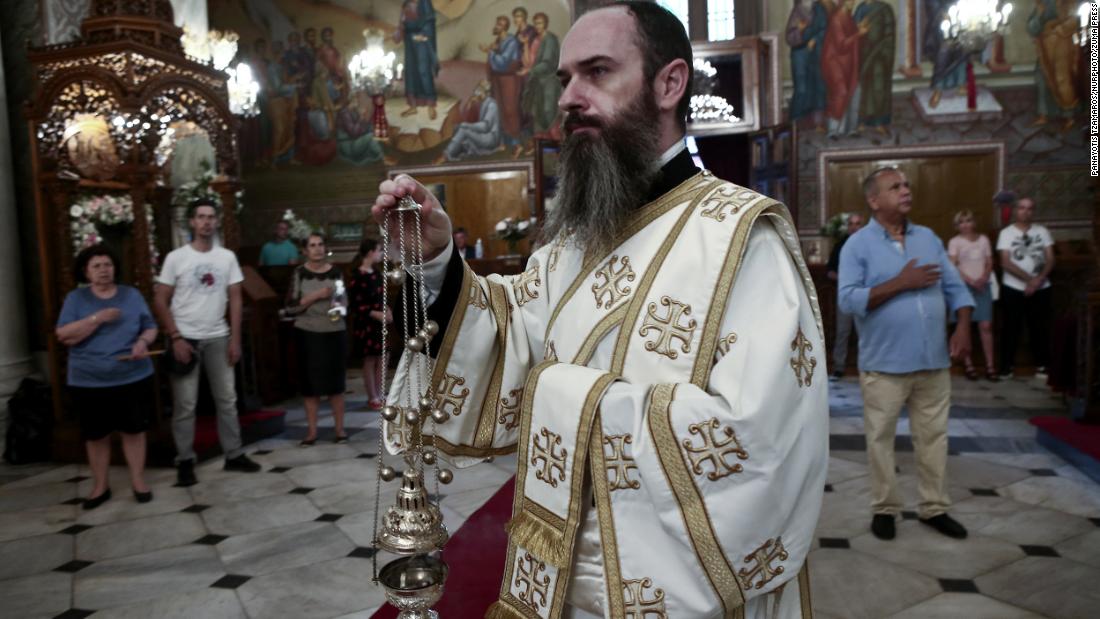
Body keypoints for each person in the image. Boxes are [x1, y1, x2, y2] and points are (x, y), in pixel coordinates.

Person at [372, 3, 827, 616]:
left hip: (677, 594)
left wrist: (566, 400)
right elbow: (512, 340)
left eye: (597, 72)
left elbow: (761, 441)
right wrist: (438, 264)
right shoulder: (574, 242)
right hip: (559, 586)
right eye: (565, 80)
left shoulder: (742, 238)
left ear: (669, 84)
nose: (570, 98)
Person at [838, 167, 974, 542]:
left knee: (933, 437)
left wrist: (962, 326)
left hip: (933, 361)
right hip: (884, 364)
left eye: (906, 184)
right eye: (894, 186)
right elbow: (847, 298)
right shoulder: (858, 245)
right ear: (874, 200)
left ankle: (935, 508)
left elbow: (955, 287)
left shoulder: (928, 238)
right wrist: (901, 282)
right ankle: (885, 508)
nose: (905, 190)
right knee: (880, 439)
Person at [154, 198, 261, 486]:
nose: (206, 222)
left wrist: (235, 339)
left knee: (227, 398)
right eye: (200, 217)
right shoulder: (176, 258)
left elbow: (236, 299)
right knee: (185, 404)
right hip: (185, 337)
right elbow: (160, 299)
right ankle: (185, 460)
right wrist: (175, 336)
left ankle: (233, 454)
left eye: (211, 217)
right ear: (192, 222)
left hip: (218, 335)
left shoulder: (226, 257)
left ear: (216, 222)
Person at [56, 245, 158, 509]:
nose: (103, 270)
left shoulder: (131, 295)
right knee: (96, 434)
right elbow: (63, 335)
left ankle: (138, 481)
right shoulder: (75, 300)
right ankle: (100, 486)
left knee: (133, 431)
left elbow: (150, 326)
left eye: (108, 265)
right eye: (97, 266)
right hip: (88, 380)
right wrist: (97, 318)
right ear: (86, 272)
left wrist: (143, 343)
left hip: (132, 375)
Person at [285, 233, 349, 444]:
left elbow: (343, 302)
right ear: (305, 250)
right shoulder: (299, 273)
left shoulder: (336, 271)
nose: (317, 249)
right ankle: (312, 432)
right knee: (310, 385)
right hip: (307, 332)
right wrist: (317, 295)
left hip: (333, 331)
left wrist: (337, 305)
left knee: (336, 384)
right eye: (312, 245)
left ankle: (339, 430)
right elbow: (292, 306)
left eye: (321, 244)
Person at [996, 196, 1055, 379]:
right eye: (1022, 208)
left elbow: (1051, 259)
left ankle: (1042, 365)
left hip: (1042, 288)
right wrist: (1030, 280)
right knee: (1011, 328)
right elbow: (1005, 262)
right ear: (1016, 210)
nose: (1025, 211)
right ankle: (1006, 366)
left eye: (1029, 208)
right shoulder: (1006, 233)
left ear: (1033, 211)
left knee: (1039, 327)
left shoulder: (1042, 231)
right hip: (1013, 288)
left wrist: (1039, 280)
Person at [948, 210, 997, 382]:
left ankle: (990, 366)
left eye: (968, 220)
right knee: (965, 326)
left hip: (983, 286)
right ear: (957, 226)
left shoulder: (983, 239)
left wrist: (983, 278)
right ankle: (968, 366)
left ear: (974, 222)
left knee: (986, 326)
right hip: (964, 288)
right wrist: (969, 280)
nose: (965, 224)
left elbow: (990, 262)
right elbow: (953, 266)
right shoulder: (954, 242)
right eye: (961, 222)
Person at [348, 239, 389, 411]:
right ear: (370, 252)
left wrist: (388, 311)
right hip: (366, 323)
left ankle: (381, 393)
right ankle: (372, 396)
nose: (381, 254)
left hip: (381, 322)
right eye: (379, 250)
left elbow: (382, 296)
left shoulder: (377, 273)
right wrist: (376, 314)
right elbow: (355, 305)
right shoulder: (357, 276)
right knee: (370, 359)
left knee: (384, 357)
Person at [826, 212, 864, 380]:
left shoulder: (869, 244)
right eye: (851, 224)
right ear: (847, 227)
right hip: (846, 294)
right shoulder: (840, 245)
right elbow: (829, 272)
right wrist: (844, 278)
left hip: (865, 294)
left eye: (857, 224)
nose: (854, 227)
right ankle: (839, 367)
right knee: (843, 332)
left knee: (865, 332)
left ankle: (867, 367)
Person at [853, 0, 894, 133]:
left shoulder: (885, 9)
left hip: (879, 57)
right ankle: (861, 121)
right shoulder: (860, 9)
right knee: (863, 89)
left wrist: (882, 52)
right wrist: (858, 30)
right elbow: (852, 29)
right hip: (862, 55)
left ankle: (879, 122)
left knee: (879, 88)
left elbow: (889, 35)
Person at [434, 81, 501, 164]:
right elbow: (468, 118)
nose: (476, 92)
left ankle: (445, 156)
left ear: (484, 92)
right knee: (457, 128)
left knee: (463, 130)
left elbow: (485, 126)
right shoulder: (483, 103)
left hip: (490, 139)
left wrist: (466, 125)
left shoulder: (491, 104)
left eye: (478, 90)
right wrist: (470, 105)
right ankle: (452, 152)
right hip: (484, 135)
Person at [785, 0, 827, 129]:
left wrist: (815, 39)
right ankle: (795, 123)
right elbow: (790, 37)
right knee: (801, 89)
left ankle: (817, 123)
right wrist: (801, 31)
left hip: (815, 53)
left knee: (816, 87)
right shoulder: (797, 10)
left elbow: (824, 28)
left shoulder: (819, 9)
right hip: (800, 54)